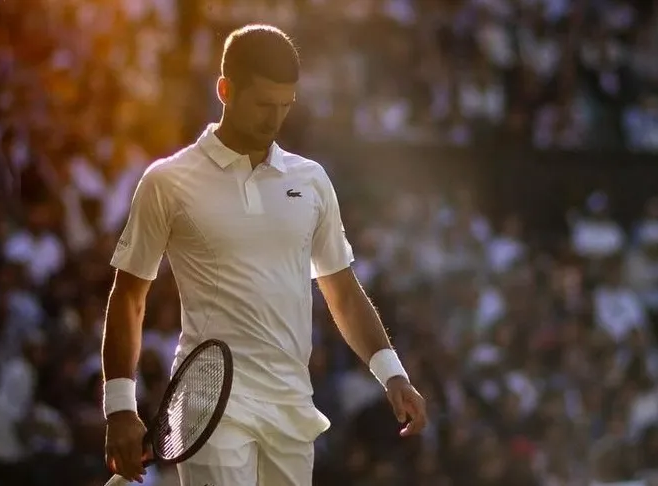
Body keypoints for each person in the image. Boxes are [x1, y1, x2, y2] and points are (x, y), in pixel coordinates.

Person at [101, 24, 428, 486]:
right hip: (209, 404)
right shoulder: (167, 181)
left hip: (292, 406)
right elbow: (129, 296)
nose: (274, 119)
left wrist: (393, 374)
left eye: (285, 106)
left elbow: (342, 292)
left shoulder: (311, 179)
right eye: (262, 105)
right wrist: (119, 407)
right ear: (225, 90)